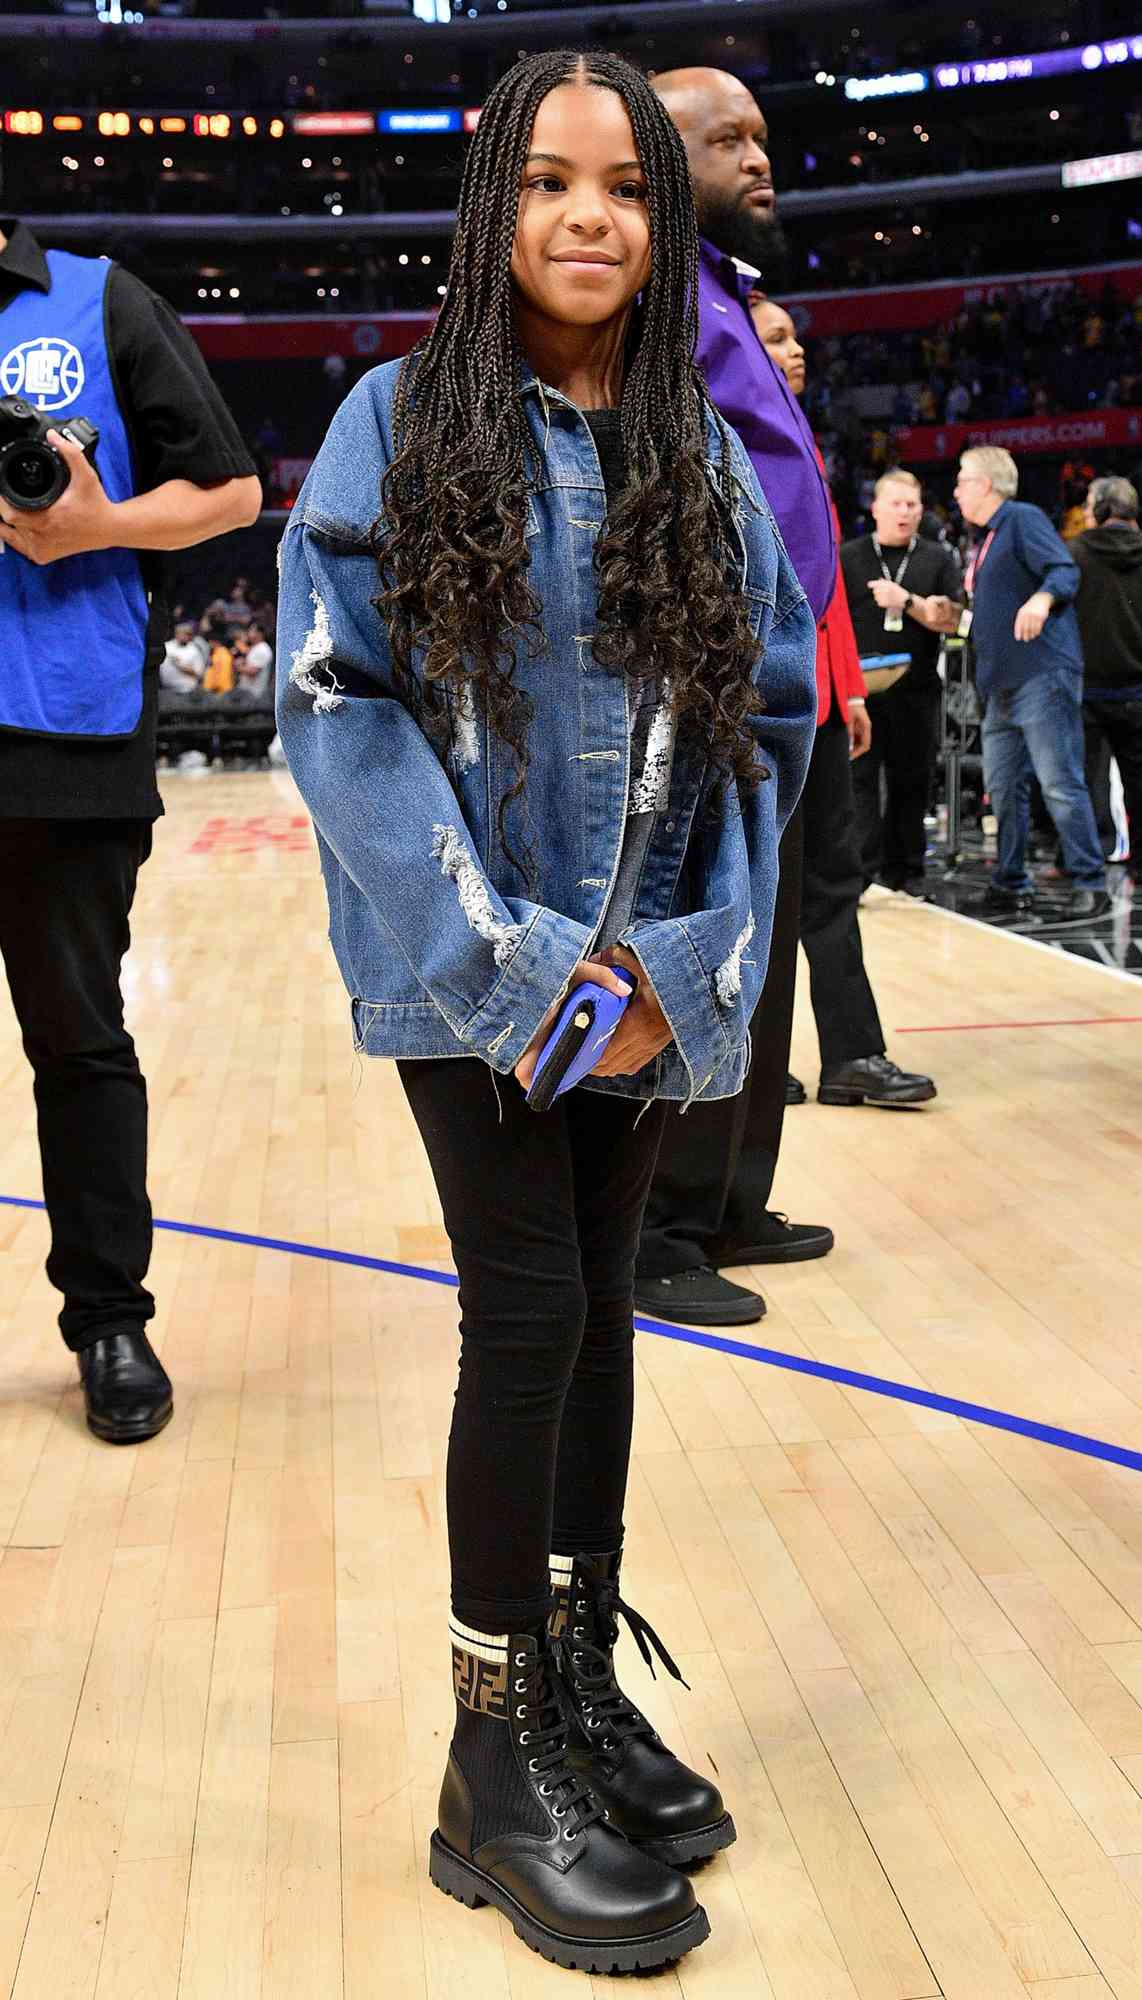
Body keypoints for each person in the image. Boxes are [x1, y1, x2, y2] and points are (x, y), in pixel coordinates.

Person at [277, 50, 816, 1975]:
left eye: (627, 190)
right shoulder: (396, 420)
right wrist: (516, 979)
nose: (590, 216)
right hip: (477, 993)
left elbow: (767, 727)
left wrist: (681, 984)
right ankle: (489, 1767)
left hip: (647, 1002)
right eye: (550, 183)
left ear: (665, 229)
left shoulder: (696, 448)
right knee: (525, 1322)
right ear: (491, 207)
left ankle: (574, 1683)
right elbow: (341, 707)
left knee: (600, 1316)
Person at [0, 215, 261, 1442]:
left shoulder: (100, 302)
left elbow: (233, 491)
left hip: (64, 734)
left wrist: (93, 524)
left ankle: (108, 1318)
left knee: (79, 1043)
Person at [630, 65, 837, 1330]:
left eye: (761, 136)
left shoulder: (729, 291)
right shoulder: (655, 291)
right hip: (697, 672)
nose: (758, 157)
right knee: (693, 944)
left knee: (760, 960)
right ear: (664, 158)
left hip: (770, 678)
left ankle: (724, 1201)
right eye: (728, 140)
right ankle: (650, 1227)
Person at [751, 298, 936, 1109]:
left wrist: (850, 692)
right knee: (759, 892)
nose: (797, 351)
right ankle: (757, 1069)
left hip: (822, 703)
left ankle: (852, 1057)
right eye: (777, 340)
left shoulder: (797, 444)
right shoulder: (735, 443)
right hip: (759, 708)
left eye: (795, 337)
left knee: (835, 881)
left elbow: (824, 598)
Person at [952, 447, 1109, 920]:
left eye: (962, 479)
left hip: (1041, 675)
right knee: (1003, 789)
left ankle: (1090, 881)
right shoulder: (988, 538)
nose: (955, 489)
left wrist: (1041, 599)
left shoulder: (1020, 518)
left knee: (1059, 782)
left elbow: (1064, 569)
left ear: (985, 484)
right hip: (1001, 685)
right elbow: (992, 612)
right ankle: (1010, 879)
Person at [841, 469, 964, 893]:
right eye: (896, 503)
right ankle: (859, 874)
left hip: (917, 693)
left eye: (912, 504)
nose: (905, 512)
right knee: (857, 786)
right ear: (875, 508)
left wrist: (906, 601)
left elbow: (955, 619)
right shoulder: (850, 556)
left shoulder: (937, 558)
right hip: (861, 695)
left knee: (911, 782)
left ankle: (907, 871)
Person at [1072, 476, 1142, 867]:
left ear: (1100, 510)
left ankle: (1087, 863)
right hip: (1137, 689)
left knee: (1084, 783)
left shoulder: (1075, 552)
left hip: (1087, 687)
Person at [160, 619, 205, 691]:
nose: (185, 636)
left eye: (188, 634)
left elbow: (198, 673)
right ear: (176, 633)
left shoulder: (194, 650)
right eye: (183, 633)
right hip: (166, 688)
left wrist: (180, 666)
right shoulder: (167, 646)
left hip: (186, 690)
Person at [237, 619, 273, 698]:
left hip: (255, 694)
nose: (248, 633)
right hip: (247, 692)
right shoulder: (255, 647)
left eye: (251, 630)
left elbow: (253, 671)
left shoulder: (262, 649)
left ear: (260, 634)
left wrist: (238, 667)